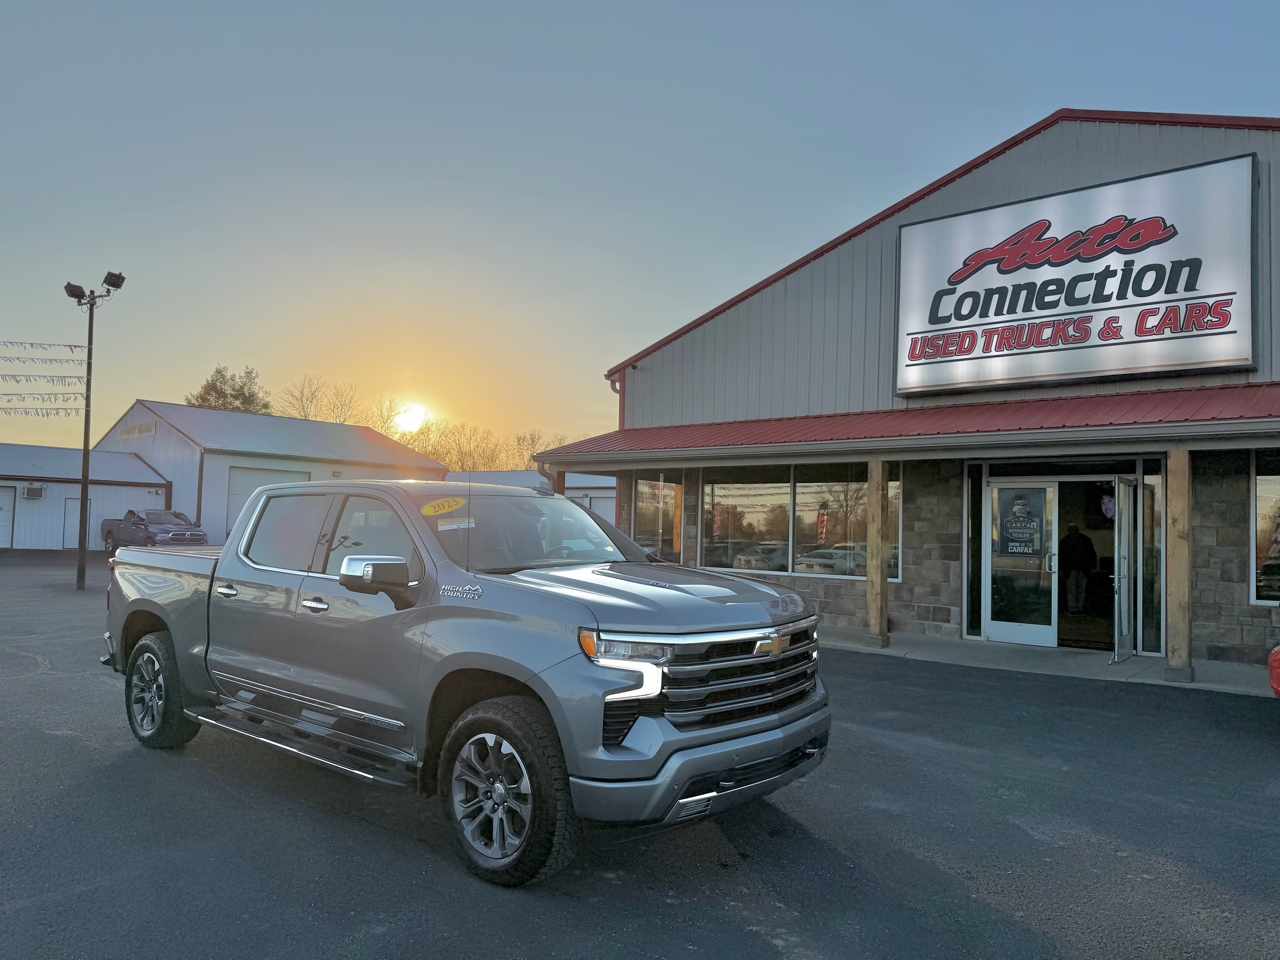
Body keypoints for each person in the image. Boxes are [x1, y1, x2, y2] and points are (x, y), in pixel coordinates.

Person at [1059, 524, 1097, 615]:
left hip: (1071, 569)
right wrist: (1091, 568)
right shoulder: (1085, 540)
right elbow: (1092, 554)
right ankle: (1079, 608)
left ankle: (1073, 608)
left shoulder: (1065, 541)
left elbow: (1061, 557)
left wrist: (1062, 569)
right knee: (1081, 590)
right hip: (1083, 569)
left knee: (1071, 590)